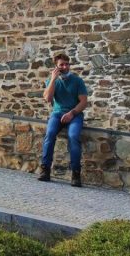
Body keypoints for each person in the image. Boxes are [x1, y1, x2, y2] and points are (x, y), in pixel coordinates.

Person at [37, 53, 88, 187]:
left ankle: (76, 173)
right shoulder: (51, 80)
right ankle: (45, 169)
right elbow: (48, 99)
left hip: (75, 115)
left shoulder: (77, 81)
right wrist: (53, 79)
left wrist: (72, 113)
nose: (65, 67)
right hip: (58, 113)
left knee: (73, 136)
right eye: (61, 65)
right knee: (50, 134)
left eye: (67, 64)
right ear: (56, 67)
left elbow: (83, 102)